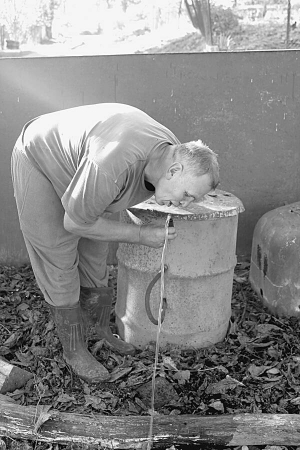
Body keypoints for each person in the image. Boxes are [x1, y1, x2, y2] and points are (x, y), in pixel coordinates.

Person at [11, 103, 219, 383]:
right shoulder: (113, 163)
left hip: (87, 166)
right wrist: (142, 235)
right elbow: (75, 223)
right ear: (174, 171)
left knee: (95, 252)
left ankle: (99, 331)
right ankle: (74, 350)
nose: (184, 204)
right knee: (58, 253)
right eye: (187, 194)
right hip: (41, 159)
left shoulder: (169, 152)